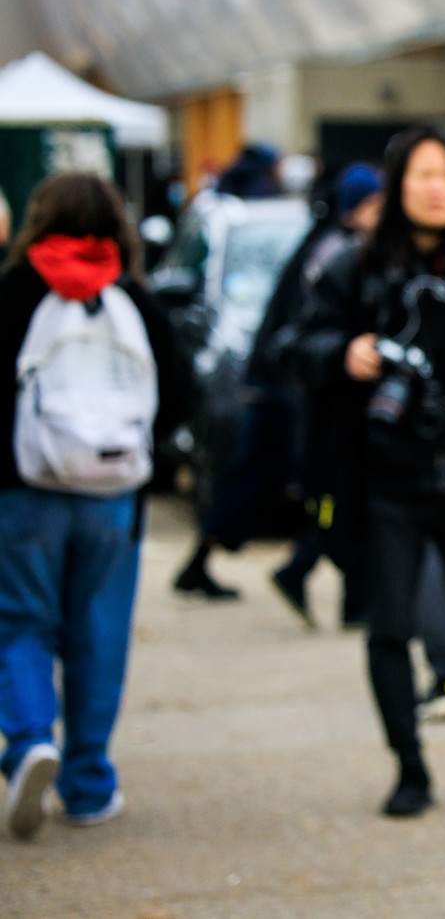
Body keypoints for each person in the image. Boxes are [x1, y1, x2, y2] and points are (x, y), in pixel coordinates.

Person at [293, 126, 445, 817]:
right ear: (398, 188)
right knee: (390, 627)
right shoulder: (357, 265)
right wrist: (346, 351)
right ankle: (408, 767)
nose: (435, 189)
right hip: (385, 480)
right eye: (421, 176)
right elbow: (297, 343)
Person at [0, 174, 187, 837]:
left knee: (21, 624)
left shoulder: (15, 290)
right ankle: (87, 784)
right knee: (99, 635)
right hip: (114, 498)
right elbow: (176, 396)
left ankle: (27, 741)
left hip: (24, 494)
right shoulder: (135, 296)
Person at [265, 162, 385, 629]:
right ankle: (332, 589)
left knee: (345, 508)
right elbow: (298, 339)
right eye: (375, 204)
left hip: (349, 413)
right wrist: (344, 353)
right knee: (338, 507)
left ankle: (319, 581)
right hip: (333, 412)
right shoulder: (339, 257)